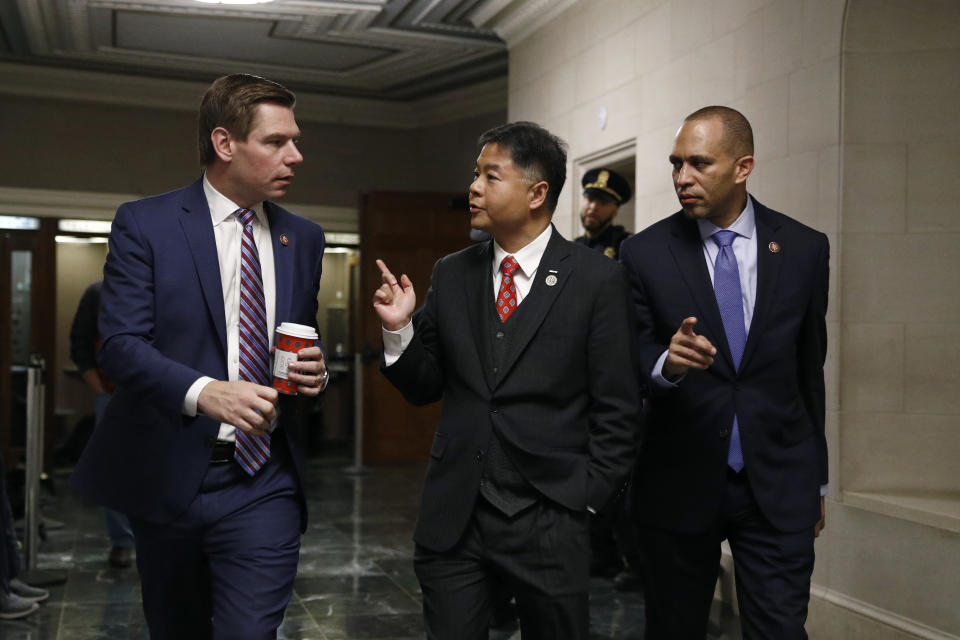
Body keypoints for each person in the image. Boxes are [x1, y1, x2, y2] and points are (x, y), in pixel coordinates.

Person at [70, 74, 328, 639]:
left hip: (265, 480)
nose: (296, 155)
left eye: (295, 139)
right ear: (224, 143)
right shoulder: (147, 224)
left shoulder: (303, 238)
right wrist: (205, 392)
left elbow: (296, 338)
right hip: (170, 475)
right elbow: (119, 345)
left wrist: (315, 370)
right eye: (277, 141)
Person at [373, 121, 640, 639]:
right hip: (456, 519)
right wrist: (399, 328)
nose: (473, 187)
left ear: (537, 193)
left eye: (490, 177)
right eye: (475, 175)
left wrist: (585, 498)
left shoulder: (597, 280)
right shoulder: (452, 273)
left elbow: (619, 407)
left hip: (550, 518)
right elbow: (424, 385)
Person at [619, 106, 828, 638]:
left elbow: (809, 370)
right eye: (675, 164)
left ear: (743, 167)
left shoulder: (804, 248)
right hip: (677, 480)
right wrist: (666, 363)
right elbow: (629, 356)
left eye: (698, 163)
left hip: (777, 484)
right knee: (674, 629)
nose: (681, 178)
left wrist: (816, 481)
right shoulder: (644, 253)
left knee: (780, 629)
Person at [69, 280, 136, 569]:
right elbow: (80, 341)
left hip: (159, 393)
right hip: (112, 391)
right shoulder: (97, 292)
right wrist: (97, 386)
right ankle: (122, 541)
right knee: (113, 466)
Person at [574, 167, 632, 260]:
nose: (593, 207)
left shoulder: (626, 247)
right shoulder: (573, 246)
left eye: (603, 202)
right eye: (590, 199)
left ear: (615, 212)